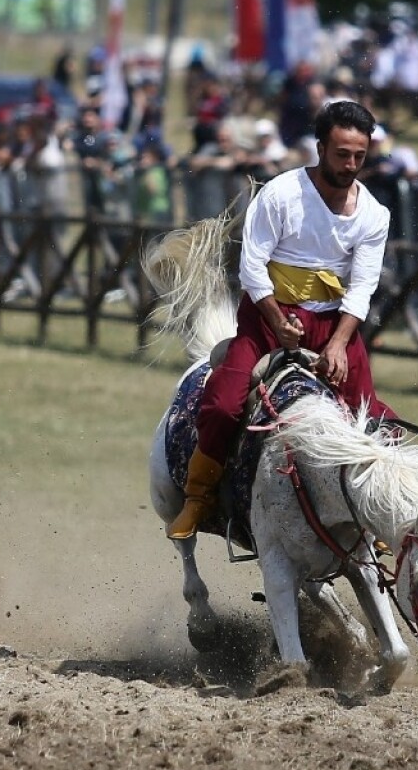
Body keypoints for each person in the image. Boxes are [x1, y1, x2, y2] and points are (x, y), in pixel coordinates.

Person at [166, 100, 398, 541]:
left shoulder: (374, 215)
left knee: (370, 419)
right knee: (223, 403)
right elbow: (252, 268)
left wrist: (338, 343)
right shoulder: (281, 194)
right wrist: (277, 321)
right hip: (266, 315)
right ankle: (199, 497)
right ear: (320, 148)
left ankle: (374, 515)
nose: (351, 165)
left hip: (333, 323)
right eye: (341, 154)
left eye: (359, 157)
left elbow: (363, 286)